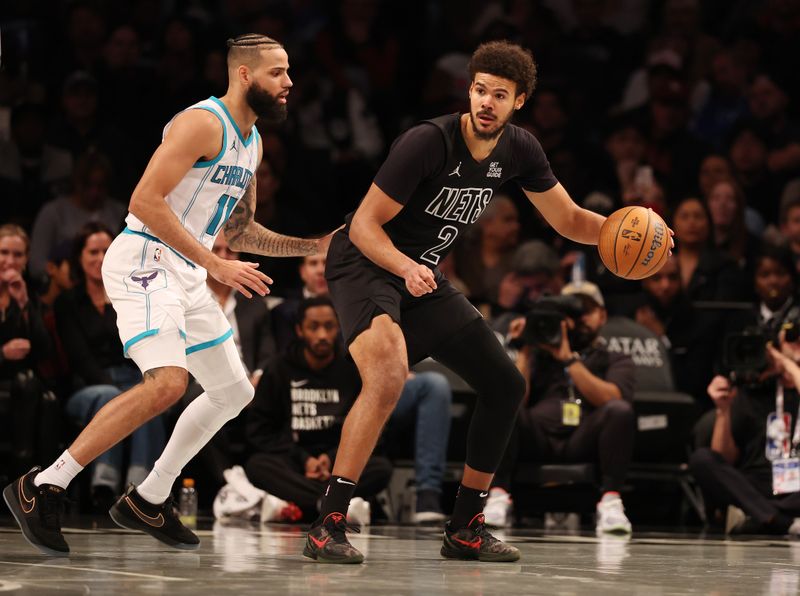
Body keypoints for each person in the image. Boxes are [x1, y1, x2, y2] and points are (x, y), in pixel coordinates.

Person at [3, 33, 337, 557]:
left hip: (186, 270)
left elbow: (244, 231)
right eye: (278, 72)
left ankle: (150, 496)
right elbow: (144, 199)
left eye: (289, 72)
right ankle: (43, 485)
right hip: (144, 259)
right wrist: (213, 263)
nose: (289, 82)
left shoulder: (252, 142)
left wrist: (315, 244)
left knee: (233, 392)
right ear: (245, 75)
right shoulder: (202, 122)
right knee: (167, 384)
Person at [306, 40, 609, 564]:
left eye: (500, 94)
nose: (487, 102)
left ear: (520, 101)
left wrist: (628, 231)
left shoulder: (520, 149)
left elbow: (569, 220)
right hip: (367, 263)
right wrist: (405, 267)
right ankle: (328, 522)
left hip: (420, 274)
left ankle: (466, 527)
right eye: (479, 90)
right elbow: (363, 224)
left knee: (505, 383)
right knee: (387, 377)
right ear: (468, 90)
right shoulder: (427, 141)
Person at [486, 283, 636, 534]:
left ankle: (611, 502)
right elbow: (516, 398)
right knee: (505, 405)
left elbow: (612, 398)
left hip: (583, 439)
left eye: (586, 311)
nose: (580, 319)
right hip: (537, 438)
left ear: (603, 315)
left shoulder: (615, 358)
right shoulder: (539, 353)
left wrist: (568, 359)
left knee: (619, 411)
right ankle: (498, 495)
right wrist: (526, 348)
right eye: (572, 312)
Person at [245, 296, 392, 524]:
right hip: (293, 460)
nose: (322, 335)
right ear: (300, 330)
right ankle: (333, 504)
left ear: (338, 327)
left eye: (329, 326)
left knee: (380, 468)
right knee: (258, 466)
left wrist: (332, 459)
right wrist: (304, 459)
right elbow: (260, 430)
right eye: (314, 327)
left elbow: (374, 427)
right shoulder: (278, 368)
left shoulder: (355, 369)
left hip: (341, 460)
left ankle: (303, 503)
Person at [55, 223, 163, 512]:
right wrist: (123, 394)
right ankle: (103, 484)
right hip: (88, 386)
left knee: (150, 398)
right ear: (80, 257)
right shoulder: (69, 302)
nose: (100, 257)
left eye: (106, 250)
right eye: (93, 251)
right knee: (115, 397)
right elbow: (80, 358)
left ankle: (139, 488)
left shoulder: (130, 295)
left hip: (132, 377)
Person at [689, 339, 800, 537]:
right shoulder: (752, 389)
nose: (797, 345)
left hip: (796, 488)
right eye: (791, 340)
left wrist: (790, 367)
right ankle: (779, 521)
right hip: (755, 487)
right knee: (702, 459)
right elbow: (725, 457)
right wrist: (723, 411)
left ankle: (759, 517)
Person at [271, 254, 329, 353]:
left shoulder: (352, 306)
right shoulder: (284, 311)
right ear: (302, 271)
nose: (321, 271)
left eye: (326, 263)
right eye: (313, 263)